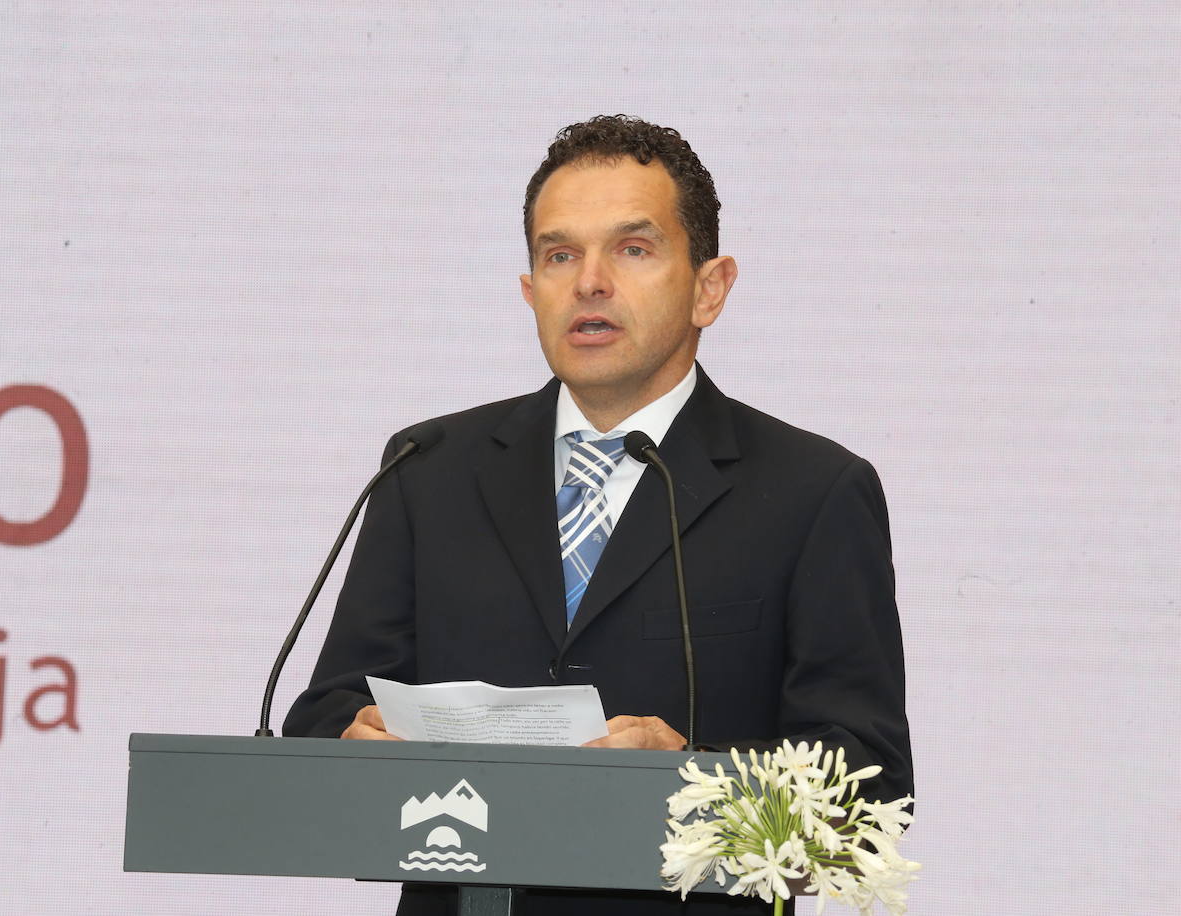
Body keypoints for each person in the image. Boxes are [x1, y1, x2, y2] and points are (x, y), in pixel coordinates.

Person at [284, 115, 912, 915]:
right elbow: (321, 719)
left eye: (633, 249)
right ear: (530, 291)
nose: (589, 282)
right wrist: (353, 737)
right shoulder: (428, 469)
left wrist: (695, 777)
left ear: (709, 288)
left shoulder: (812, 492)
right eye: (559, 255)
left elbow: (865, 794)